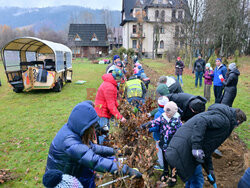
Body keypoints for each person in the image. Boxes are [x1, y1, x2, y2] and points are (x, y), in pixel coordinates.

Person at [44, 101, 142, 188]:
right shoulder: (70, 143)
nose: (93, 130)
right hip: (62, 181)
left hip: (74, 169)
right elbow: (95, 161)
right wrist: (127, 170)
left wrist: (115, 151)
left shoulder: (73, 130)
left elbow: (92, 148)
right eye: (91, 127)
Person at [165, 104, 247, 187]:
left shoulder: (217, 114)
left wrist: (210, 170)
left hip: (180, 148)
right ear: (238, 121)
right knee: (197, 180)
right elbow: (202, 121)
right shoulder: (223, 120)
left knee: (192, 178)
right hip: (183, 151)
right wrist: (196, 148)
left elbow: (207, 148)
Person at [141, 101, 182, 186]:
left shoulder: (177, 120)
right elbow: (154, 122)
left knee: (172, 160)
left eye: (168, 113)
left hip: (173, 144)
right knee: (165, 159)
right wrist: (145, 125)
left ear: (173, 113)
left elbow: (181, 132)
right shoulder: (163, 117)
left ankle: (173, 176)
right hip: (164, 142)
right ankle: (166, 173)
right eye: (165, 112)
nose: (166, 114)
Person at [95, 68, 126, 144]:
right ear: (117, 78)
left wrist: (119, 107)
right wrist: (120, 117)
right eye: (120, 79)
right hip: (102, 112)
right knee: (103, 133)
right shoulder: (109, 87)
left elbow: (113, 100)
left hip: (102, 110)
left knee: (105, 131)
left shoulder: (111, 83)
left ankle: (104, 148)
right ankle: (101, 150)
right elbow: (111, 106)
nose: (121, 81)